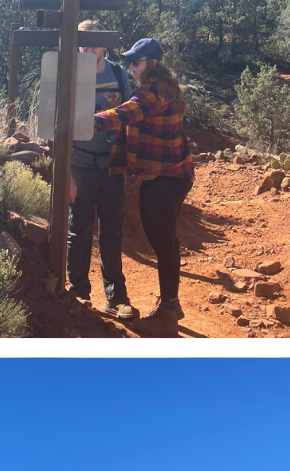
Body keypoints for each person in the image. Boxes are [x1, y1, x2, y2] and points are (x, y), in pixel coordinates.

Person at [92, 37, 195, 337]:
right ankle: (171, 305)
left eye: (135, 62)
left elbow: (125, 113)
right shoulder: (167, 86)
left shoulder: (153, 91)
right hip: (176, 174)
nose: (131, 67)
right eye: (129, 62)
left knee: (162, 244)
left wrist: (85, 121)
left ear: (151, 63)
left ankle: (166, 318)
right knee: (168, 241)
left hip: (163, 177)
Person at [67, 20, 136, 320]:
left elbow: (133, 117)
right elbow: (58, 127)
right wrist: (67, 175)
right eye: (84, 43)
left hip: (112, 168)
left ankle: (116, 297)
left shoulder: (119, 74)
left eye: (94, 42)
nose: (88, 48)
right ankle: (79, 291)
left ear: (103, 46)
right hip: (80, 164)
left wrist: (131, 163)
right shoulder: (69, 75)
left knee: (111, 232)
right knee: (78, 231)